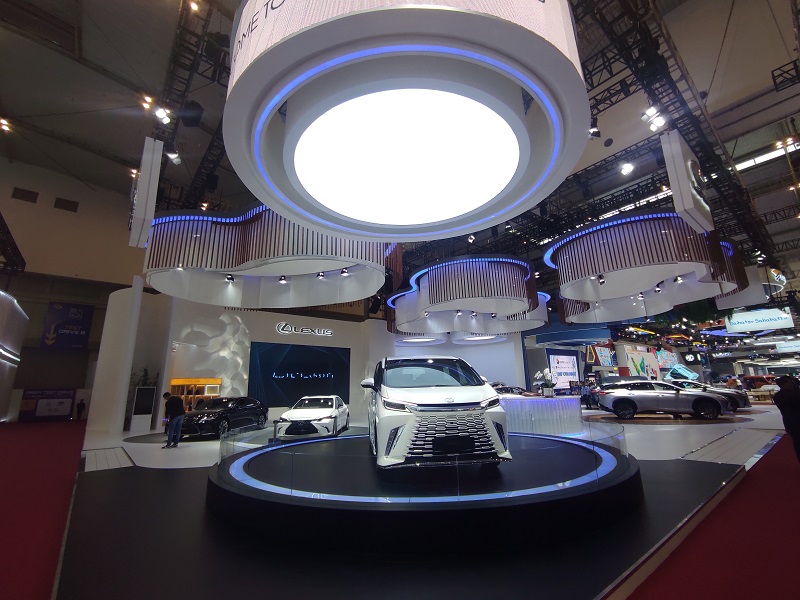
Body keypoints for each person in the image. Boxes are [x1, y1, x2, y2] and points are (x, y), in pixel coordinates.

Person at [773, 376, 800, 464]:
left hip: (790, 423)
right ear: (785, 384)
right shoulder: (793, 394)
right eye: (790, 382)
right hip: (796, 423)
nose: (792, 384)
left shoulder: (777, 396)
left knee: (797, 443)